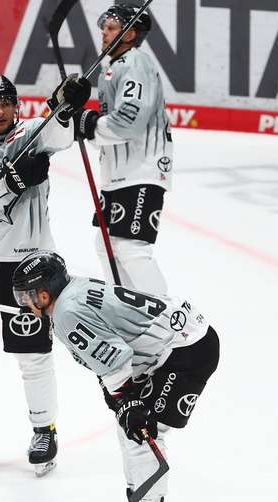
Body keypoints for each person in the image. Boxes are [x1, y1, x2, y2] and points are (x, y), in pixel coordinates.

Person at [11, 250, 220, 502]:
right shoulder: (72, 290)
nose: (23, 304)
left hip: (186, 350)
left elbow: (116, 359)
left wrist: (127, 400)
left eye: (26, 297)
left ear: (43, 294)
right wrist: (123, 398)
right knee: (129, 429)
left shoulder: (66, 313)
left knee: (142, 432)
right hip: (179, 341)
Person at [0, 74, 87, 476]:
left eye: (5, 103)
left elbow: (61, 135)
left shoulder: (34, 132)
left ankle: (44, 428)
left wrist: (66, 104)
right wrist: (11, 179)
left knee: (33, 355)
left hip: (27, 264)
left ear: (17, 106)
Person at [67, 3, 172, 295]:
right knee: (106, 244)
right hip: (118, 173)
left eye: (111, 28)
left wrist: (89, 124)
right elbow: (103, 125)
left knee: (131, 249)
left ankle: (166, 318)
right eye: (104, 27)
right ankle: (127, 311)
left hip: (141, 170)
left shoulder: (135, 64)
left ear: (130, 34)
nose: (104, 33)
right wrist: (81, 115)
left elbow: (129, 121)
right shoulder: (111, 69)